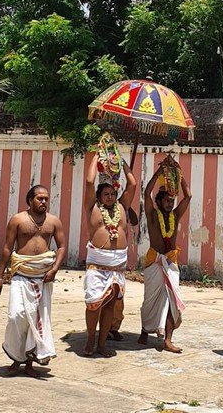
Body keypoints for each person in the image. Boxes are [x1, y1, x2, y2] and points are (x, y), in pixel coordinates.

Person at [0, 185, 65, 378]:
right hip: (21, 274)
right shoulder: (18, 220)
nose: (44, 202)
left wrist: (55, 269)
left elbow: (62, 247)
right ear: (30, 199)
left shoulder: (53, 221)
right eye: (40, 198)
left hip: (43, 276)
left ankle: (29, 362)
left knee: (37, 320)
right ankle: (16, 358)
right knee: (16, 316)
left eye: (46, 199)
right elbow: (7, 247)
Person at [83, 152, 136, 358]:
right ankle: (89, 340)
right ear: (98, 196)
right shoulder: (92, 208)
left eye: (113, 194)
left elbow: (132, 184)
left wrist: (122, 162)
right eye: (106, 194)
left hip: (117, 265)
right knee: (94, 304)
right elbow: (89, 181)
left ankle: (102, 343)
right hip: (98, 264)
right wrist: (97, 158)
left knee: (109, 306)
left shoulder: (122, 207)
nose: (110, 197)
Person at [138, 155, 191, 353]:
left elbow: (188, 196)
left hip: (171, 260)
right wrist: (158, 174)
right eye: (167, 201)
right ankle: (145, 328)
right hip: (154, 260)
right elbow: (146, 192)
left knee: (173, 300)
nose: (170, 203)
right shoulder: (152, 215)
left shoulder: (175, 215)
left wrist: (180, 174)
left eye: (171, 200)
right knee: (149, 300)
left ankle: (168, 339)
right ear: (159, 201)